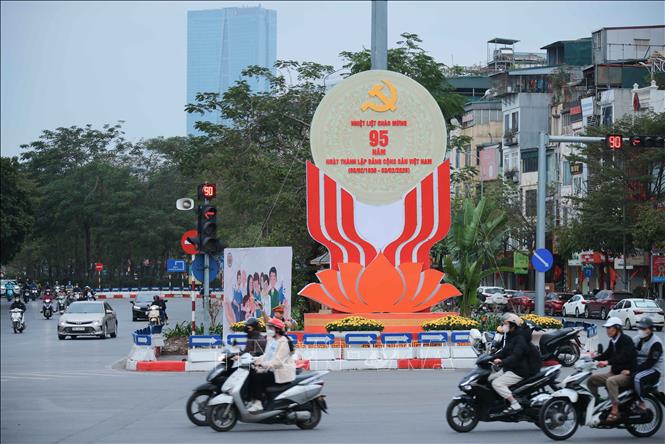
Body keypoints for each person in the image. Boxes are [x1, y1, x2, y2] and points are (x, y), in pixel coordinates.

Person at [588, 316, 636, 423]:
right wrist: (592, 359)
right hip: (615, 372)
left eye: (609, 328)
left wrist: (607, 362)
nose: (607, 330)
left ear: (617, 328)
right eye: (607, 328)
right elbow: (607, 354)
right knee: (591, 379)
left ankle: (615, 409)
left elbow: (623, 357)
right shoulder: (613, 341)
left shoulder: (626, 340)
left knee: (611, 381)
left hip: (626, 373)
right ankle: (597, 402)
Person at [246, 318, 296, 412]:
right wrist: (253, 359)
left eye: (271, 328)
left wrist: (262, 365)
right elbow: (266, 356)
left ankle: (259, 402)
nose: (268, 330)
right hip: (272, 369)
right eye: (268, 327)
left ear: (277, 329)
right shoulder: (273, 340)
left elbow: (277, 362)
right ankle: (252, 399)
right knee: (250, 372)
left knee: (257, 377)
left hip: (281, 372)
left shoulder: (284, 342)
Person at [490, 313, 531, 414]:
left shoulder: (519, 338)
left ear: (513, 325)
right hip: (510, 368)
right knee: (489, 378)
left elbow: (516, 356)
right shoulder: (511, 336)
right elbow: (504, 351)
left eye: (506, 324)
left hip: (518, 370)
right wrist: (491, 357)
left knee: (497, 383)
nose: (503, 326)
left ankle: (514, 404)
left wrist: (502, 361)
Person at [632, 317, 663, 411]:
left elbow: (649, 363)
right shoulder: (637, 339)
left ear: (650, 329)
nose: (641, 330)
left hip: (653, 370)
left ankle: (641, 403)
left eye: (644, 328)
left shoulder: (656, 343)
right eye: (640, 328)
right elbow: (628, 353)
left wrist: (633, 369)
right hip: (641, 367)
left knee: (637, 378)